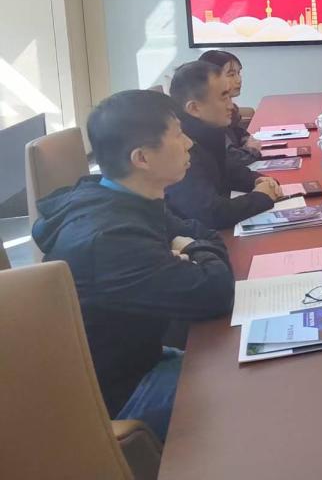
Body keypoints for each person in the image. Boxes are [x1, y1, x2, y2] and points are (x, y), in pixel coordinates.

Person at [32, 90, 235, 440]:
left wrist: (187, 246)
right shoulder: (111, 238)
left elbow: (202, 234)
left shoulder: (123, 196)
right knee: (251, 392)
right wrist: (188, 247)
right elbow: (215, 291)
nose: (189, 144)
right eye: (178, 135)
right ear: (142, 158)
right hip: (119, 394)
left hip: (143, 355)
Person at [165, 61, 281, 229]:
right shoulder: (181, 147)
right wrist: (261, 197)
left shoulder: (209, 132)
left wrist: (259, 180)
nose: (231, 106)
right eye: (224, 97)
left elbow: (229, 171)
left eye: (230, 97)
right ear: (194, 108)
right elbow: (210, 213)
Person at [198, 49, 261, 165]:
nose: (238, 80)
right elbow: (231, 159)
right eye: (231, 75)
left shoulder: (231, 110)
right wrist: (252, 150)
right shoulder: (211, 115)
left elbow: (240, 134)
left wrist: (248, 143)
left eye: (238, 73)